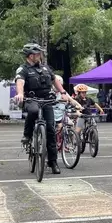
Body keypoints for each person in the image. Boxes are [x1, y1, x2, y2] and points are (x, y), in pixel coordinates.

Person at [14, 43, 68, 174]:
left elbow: (55, 80)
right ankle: (27, 135)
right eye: (38, 54)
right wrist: (20, 93)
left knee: (50, 129)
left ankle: (53, 162)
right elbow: (20, 81)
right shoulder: (23, 69)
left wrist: (63, 92)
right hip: (31, 99)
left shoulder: (45, 68)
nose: (40, 56)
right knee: (32, 111)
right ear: (30, 56)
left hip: (47, 100)